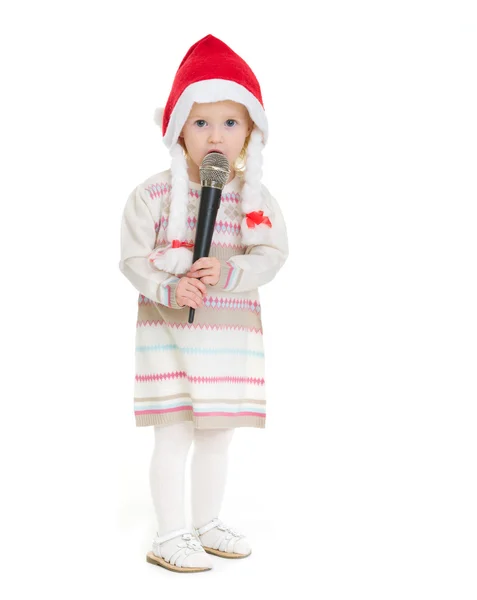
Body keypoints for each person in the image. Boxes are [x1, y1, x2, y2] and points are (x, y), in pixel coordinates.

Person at [119, 34, 289, 573]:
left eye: (230, 122)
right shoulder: (151, 196)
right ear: (177, 130)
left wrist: (231, 269)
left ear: (250, 134)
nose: (216, 135)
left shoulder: (254, 201)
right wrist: (170, 287)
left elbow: (271, 253)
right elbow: (132, 259)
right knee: (174, 432)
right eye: (201, 122)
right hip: (170, 333)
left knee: (217, 434)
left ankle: (206, 521)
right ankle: (169, 533)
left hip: (227, 336)